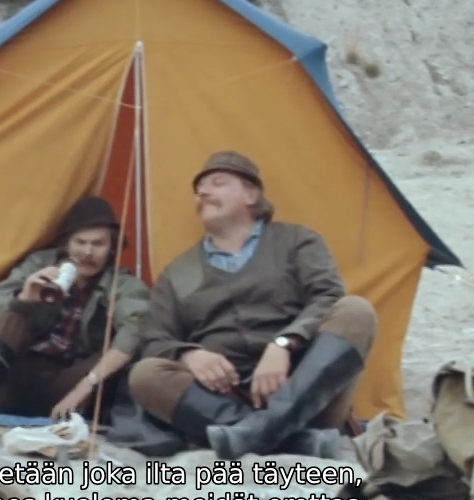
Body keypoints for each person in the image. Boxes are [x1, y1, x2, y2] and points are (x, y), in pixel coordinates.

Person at [127, 151, 378, 460]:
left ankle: (261, 431)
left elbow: (328, 297)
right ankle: (290, 440)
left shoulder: (297, 241)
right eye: (199, 189)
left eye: (218, 183)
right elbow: (154, 338)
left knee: (356, 311)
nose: (203, 193)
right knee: (144, 375)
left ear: (251, 194)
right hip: (223, 399)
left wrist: (283, 343)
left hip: (307, 394)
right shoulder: (177, 272)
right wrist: (188, 354)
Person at [0, 196, 150, 443]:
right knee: (11, 316)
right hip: (18, 377)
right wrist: (24, 298)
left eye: (98, 244)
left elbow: (136, 329)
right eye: (80, 242)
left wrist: (85, 386)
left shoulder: (123, 283)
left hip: (70, 387)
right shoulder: (40, 264)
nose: (87, 252)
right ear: (67, 242)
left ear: (112, 246)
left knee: (122, 349)